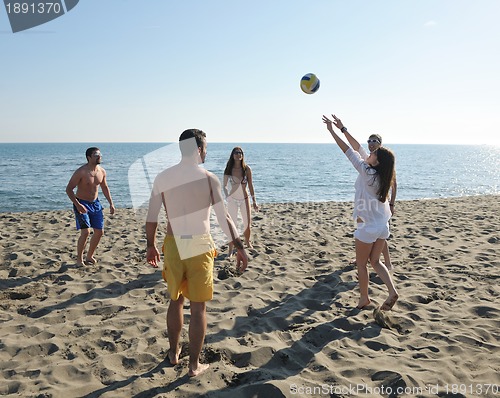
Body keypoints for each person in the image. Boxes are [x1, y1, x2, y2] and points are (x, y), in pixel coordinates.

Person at [146, 129, 248, 377]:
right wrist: (240, 247)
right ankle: (194, 366)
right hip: (199, 244)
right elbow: (223, 218)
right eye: (206, 147)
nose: (207, 151)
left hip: (173, 243)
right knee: (198, 307)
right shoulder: (208, 178)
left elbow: (152, 217)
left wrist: (150, 244)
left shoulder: (163, 177)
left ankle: (173, 353)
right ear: (200, 149)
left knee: (175, 299)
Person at [322, 115, 398, 311]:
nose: (368, 153)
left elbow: (348, 150)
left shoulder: (366, 171)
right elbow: (358, 147)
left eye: (373, 153)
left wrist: (332, 131)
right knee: (375, 261)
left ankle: (364, 299)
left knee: (362, 265)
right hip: (383, 225)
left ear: (376, 160)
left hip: (368, 227)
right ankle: (391, 291)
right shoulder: (381, 174)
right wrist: (343, 128)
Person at [343, 132, 398, 270]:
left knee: (379, 232)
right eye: (369, 141)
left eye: (375, 141)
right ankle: (363, 257)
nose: (371, 143)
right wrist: (343, 129)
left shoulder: (385, 161)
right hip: (366, 203)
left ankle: (387, 262)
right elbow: (356, 147)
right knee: (370, 230)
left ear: (380, 144)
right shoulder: (369, 159)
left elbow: (394, 184)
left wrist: (391, 204)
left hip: (379, 203)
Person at [66, 147, 115, 266]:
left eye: (100, 154)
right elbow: (69, 189)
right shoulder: (81, 172)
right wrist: (78, 205)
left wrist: (111, 203)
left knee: (99, 232)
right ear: (89, 157)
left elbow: (104, 187)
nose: (99, 157)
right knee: (86, 232)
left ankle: (89, 256)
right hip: (82, 203)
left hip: (96, 203)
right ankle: (79, 259)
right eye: (96, 155)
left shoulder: (101, 171)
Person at [223, 147, 259, 255]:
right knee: (232, 225)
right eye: (236, 153)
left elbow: (251, 185)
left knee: (247, 224)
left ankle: (248, 242)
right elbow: (224, 186)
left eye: (240, 153)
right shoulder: (228, 169)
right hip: (232, 200)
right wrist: (227, 196)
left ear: (242, 155)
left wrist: (254, 201)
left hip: (245, 199)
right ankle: (230, 248)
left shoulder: (247, 169)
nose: (238, 154)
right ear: (232, 155)